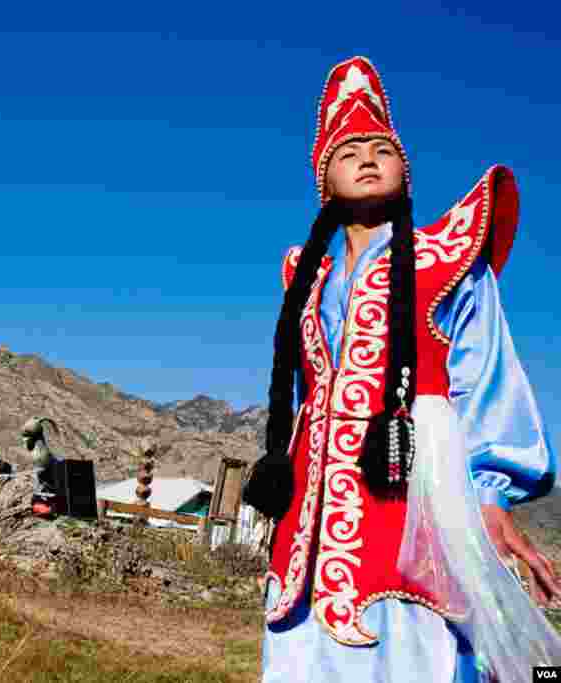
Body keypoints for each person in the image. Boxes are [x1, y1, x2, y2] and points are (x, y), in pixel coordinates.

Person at [243, 56, 561, 682]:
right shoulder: (306, 281)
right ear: (324, 180)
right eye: (349, 151)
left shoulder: (448, 263)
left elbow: (486, 381)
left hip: (414, 501)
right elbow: (301, 400)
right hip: (310, 519)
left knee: (418, 651)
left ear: (404, 170)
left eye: (382, 149)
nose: (367, 158)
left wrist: (490, 497)